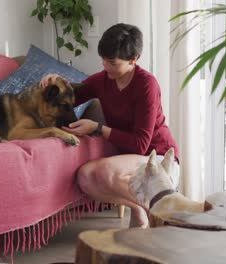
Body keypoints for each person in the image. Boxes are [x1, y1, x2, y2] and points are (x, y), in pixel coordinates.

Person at [40, 23, 179, 228]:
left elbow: (141, 144)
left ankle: (159, 211)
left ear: (133, 60)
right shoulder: (102, 80)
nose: (106, 66)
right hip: (130, 157)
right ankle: (140, 207)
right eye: (103, 60)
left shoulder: (146, 85)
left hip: (157, 156)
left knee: (103, 171)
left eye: (112, 63)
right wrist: (54, 82)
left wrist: (97, 128)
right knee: (85, 178)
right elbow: (70, 96)